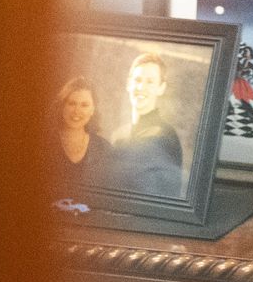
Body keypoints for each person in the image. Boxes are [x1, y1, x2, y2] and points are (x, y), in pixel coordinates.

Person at [107, 52, 184, 199]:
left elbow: (166, 196)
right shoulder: (118, 137)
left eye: (150, 82)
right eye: (137, 80)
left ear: (161, 88)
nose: (141, 87)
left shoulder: (165, 137)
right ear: (128, 84)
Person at [52, 76, 111, 193]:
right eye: (72, 103)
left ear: (92, 110)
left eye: (84, 105)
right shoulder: (43, 142)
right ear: (62, 106)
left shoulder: (104, 149)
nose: (77, 111)